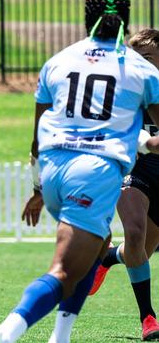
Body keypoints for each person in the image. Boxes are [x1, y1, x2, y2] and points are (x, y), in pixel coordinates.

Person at [0, 0, 159, 343]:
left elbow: (36, 138)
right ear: (125, 19)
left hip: (54, 170)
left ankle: (61, 336)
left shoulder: (57, 61)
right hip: (95, 172)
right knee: (64, 270)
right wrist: (141, 142)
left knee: (98, 244)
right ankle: (6, 333)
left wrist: (38, 190)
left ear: (87, 17)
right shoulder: (141, 69)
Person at [86, 28, 159, 341]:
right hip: (134, 170)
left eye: (148, 58)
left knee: (139, 251)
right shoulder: (123, 90)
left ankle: (108, 257)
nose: (140, 64)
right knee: (134, 232)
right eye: (136, 58)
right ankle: (148, 317)